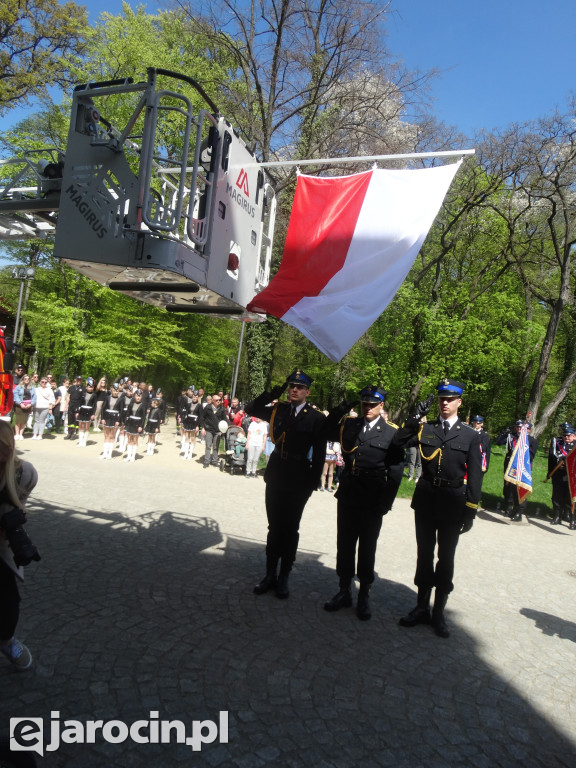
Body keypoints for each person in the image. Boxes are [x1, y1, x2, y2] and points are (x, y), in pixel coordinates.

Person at [399, 379, 484, 638]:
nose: (444, 403)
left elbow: (476, 476)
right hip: (426, 498)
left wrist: (470, 509)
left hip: (453, 501)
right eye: (441, 399)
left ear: (459, 401)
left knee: (446, 557)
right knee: (424, 554)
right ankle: (421, 607)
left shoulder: (471, 435)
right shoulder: (427, 429)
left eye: (450, 399)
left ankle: (439, 613)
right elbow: (398, 441)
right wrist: (415, 417)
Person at [323, 386, 417, 620]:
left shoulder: (391, 433)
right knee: (344, 544)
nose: (368, 407)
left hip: (373, 496)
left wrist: (386, 502)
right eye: (365, 403)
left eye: (373, 404)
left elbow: (395, 470)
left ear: (382, 405)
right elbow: (325, 429)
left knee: (367, 547)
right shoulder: (351, 425)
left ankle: (364, 593)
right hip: (348, 493)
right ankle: (344, 590)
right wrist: (343, 408)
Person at [245, 370, 326, 599]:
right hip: (277, 473)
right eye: (291, 386)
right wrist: (274, 391)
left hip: (299, 478)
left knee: (291, 529)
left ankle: (284, 576)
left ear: (307, 392)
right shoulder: (278, 409)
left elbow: (319, 453)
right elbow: (252, 408)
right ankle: (269, 573)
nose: (294, 390)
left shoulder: (315, 418)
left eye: (299, 387)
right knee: (274, 527)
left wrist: (312, 482)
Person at [0, 421, 40, 670]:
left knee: (8, 601)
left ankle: (6, 640)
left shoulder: (23, 473)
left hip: (1, 548)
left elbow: (16, 507)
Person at [497, 420, 538, 521]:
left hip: (522, 468)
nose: (519, 429)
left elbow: (531, 456)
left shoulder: (531, 440)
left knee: (520, 489)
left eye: (521, 428)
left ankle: (519, 511)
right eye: (517, 427)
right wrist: (504, 433)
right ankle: (510, 507)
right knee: (509, 488)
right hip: (511, 467)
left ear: (528, 430)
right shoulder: (512, 437)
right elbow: (498, 442)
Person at [548, 423, 576, 528]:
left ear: (574, 436)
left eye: (569, 435)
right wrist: (550, 472)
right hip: (558, 475)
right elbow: (551, 458)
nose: (567, 437)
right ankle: (557, 516)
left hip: (572, 477)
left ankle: (571, 517)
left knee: (570, 498)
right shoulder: (557, 443)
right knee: (557, 496)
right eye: (565, 435)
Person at [199, 393, 228, 468]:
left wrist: (223, 429)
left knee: (216, 447)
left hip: (217, 431)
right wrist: (202, 428)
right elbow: (202, 418)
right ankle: (206, 461)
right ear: (213, 401)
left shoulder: (222, 409)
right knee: (208, 446)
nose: (219, 401)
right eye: (217, 400)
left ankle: (214, 461)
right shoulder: (207, 408)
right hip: (208, 429)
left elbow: (225, 419)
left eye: (220, 400)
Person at [100, 382, 123, 460]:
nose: (115, 392)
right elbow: (103, 408)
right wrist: (102, 418)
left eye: (117, 391)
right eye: (114, 390)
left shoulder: (120, 400)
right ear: (112, 390)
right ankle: (105, 453)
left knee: (112, 436)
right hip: (107, 418)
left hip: (115, 419)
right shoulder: (107, 398)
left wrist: (118, 421)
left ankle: (110, 453)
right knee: (106, 436)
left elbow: (121, 411)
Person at [12, 375, 36, 441]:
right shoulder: (18, 387)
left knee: (24, 421)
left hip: (28, 406)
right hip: (19, 405)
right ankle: (16, 434)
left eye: (28, 379)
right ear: (23, 379)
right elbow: (15, 396)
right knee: (18, 420)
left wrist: (31, 404)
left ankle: (21, 434)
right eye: (25, 379)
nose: (27, 380)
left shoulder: (32, 388)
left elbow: (34, 397)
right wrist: (20, 403)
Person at [32, 375, 55, 440]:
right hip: (36, 406)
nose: (44, 383)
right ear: (40, 382)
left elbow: (52, 399)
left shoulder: (49, 390)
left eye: (45, 382)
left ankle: (40, 435)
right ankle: (34, 434)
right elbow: (33, 397)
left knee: (42, 421)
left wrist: (50, 408)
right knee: (36, 420)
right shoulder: (36, 389)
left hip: (45, 407)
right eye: (42, 382)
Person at [76, 377, 97, 447]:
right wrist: (77, 412)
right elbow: (79, 403)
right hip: (82, 411)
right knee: (81, 427)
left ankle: (84, 441)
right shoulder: (83, 393)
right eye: (89, 387)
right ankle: (80, 441)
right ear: (86, 387)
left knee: (87, 427)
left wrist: (93, 414)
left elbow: (95, 405)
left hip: (89, 411)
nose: (90, 388)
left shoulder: (94, 395)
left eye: (92, 387)